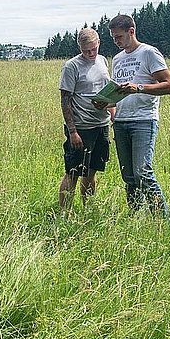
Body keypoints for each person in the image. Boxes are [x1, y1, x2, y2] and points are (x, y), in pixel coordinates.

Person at [100, 14, 170, 217]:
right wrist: (107, 104)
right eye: (113, 38)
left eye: (119, 37)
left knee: (143, 173)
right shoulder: (117, 59)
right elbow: (118, 91)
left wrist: (139, 88)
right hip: (121, 121)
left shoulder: (149, 53)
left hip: (144, 119)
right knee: (129, 176)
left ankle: (162, 219)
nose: (116, 42)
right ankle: (134, 217)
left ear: (131, 31)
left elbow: (169, 86)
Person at [58, 28, 114, 211]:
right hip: (81, 128)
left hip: (102, 125)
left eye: (93, 49)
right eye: (86, 51)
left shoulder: (103, 60)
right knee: (73, 171)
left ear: (99, 43)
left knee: (91, 171)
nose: (90, 54)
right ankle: (64, 212)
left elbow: (108, 91)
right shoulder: (71, 66)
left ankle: (88, 209)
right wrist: (73, 131)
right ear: (79, 48)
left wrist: (114, 114)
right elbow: (65, 99)